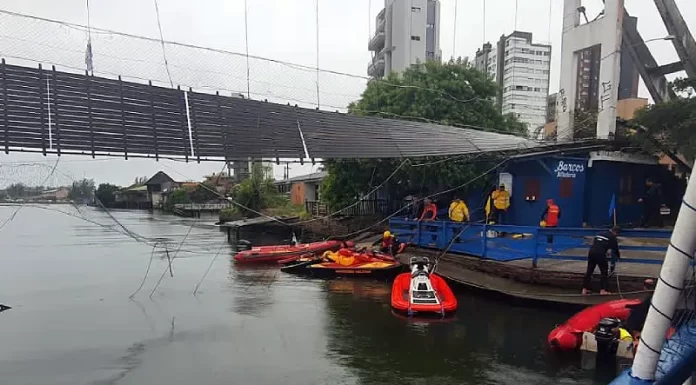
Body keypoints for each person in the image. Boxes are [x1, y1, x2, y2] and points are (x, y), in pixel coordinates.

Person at [582, 226, 621, 295]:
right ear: (615, 232)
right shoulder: (612, 237)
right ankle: (603, 290)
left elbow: (598, 243)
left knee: (589, 271)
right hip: (600, 254)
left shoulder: (599, 233)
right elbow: (615, 249)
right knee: (604, 272)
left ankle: (584, 289)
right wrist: (618, 257)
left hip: (591, 252)